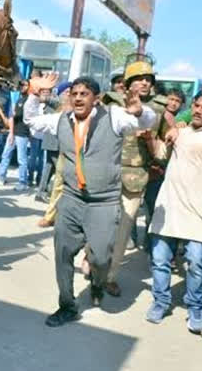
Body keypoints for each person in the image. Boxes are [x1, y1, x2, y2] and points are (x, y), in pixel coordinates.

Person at [24, 75, 156, 326]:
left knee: (100, 259)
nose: (77, 98)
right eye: (74, 94)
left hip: (103, 202)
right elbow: (30, 119)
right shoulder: (61, 120)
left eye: (84, 94)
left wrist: (141, 112)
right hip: (72, 199)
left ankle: (97, 283)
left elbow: (147, 120)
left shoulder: (114, 117)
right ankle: (67, 305)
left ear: (95, 99)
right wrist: (34, 93)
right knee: (62, 252)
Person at [145, 91, 202, 333]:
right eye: (196, 105)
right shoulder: (179, 133)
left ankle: (195, 307)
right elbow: (160, 156)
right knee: (159, 260)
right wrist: (153, 138)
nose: (198, 110)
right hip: (169, 206)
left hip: (198, 210)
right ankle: (160, 302)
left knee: (197, 263)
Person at [104, 60, 164, 297]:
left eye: (149, 79)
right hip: (107, 173)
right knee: (101, 224)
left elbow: (164, 146)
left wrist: (158, 147)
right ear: (128, 83)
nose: (145, 83)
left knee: (123, 230)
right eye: (139, 79)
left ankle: (110, 276)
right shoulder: (110, 103)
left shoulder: (159, 109)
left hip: (137, 177)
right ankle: (93, 256)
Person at [36, 81, 71, 205]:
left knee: (49, 167)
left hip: (56, 141)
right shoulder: (56, 102)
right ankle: (50, 192)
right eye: (67, 92)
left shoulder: (63, 103)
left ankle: (41, 191)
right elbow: (46, 99)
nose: (69, 94)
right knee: (59, 169)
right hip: (53, 141)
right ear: (61, 93)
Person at [0, 79, 31, 190]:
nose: (22, 87)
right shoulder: (18, 99)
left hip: (23, 133)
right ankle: (1, 176)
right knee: (6, 154)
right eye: (20, 85)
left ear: (29, 86)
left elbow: (21, 115)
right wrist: (11, 132)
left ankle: (23, 182)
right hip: (14, 132)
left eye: (24, 85)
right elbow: (12, 116)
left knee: (21, 159)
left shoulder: (29, 100)